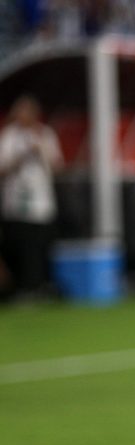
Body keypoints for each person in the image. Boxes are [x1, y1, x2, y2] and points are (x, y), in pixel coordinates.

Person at [0, 94, 63, 299]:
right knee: (19, 246)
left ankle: (40, 287)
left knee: (40, 247)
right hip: (15, 203)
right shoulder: (8, 136)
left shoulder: (45, 134)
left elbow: (57, 166)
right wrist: (21, 157)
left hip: (41, 202)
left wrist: (40, 151)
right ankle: (21, 288)